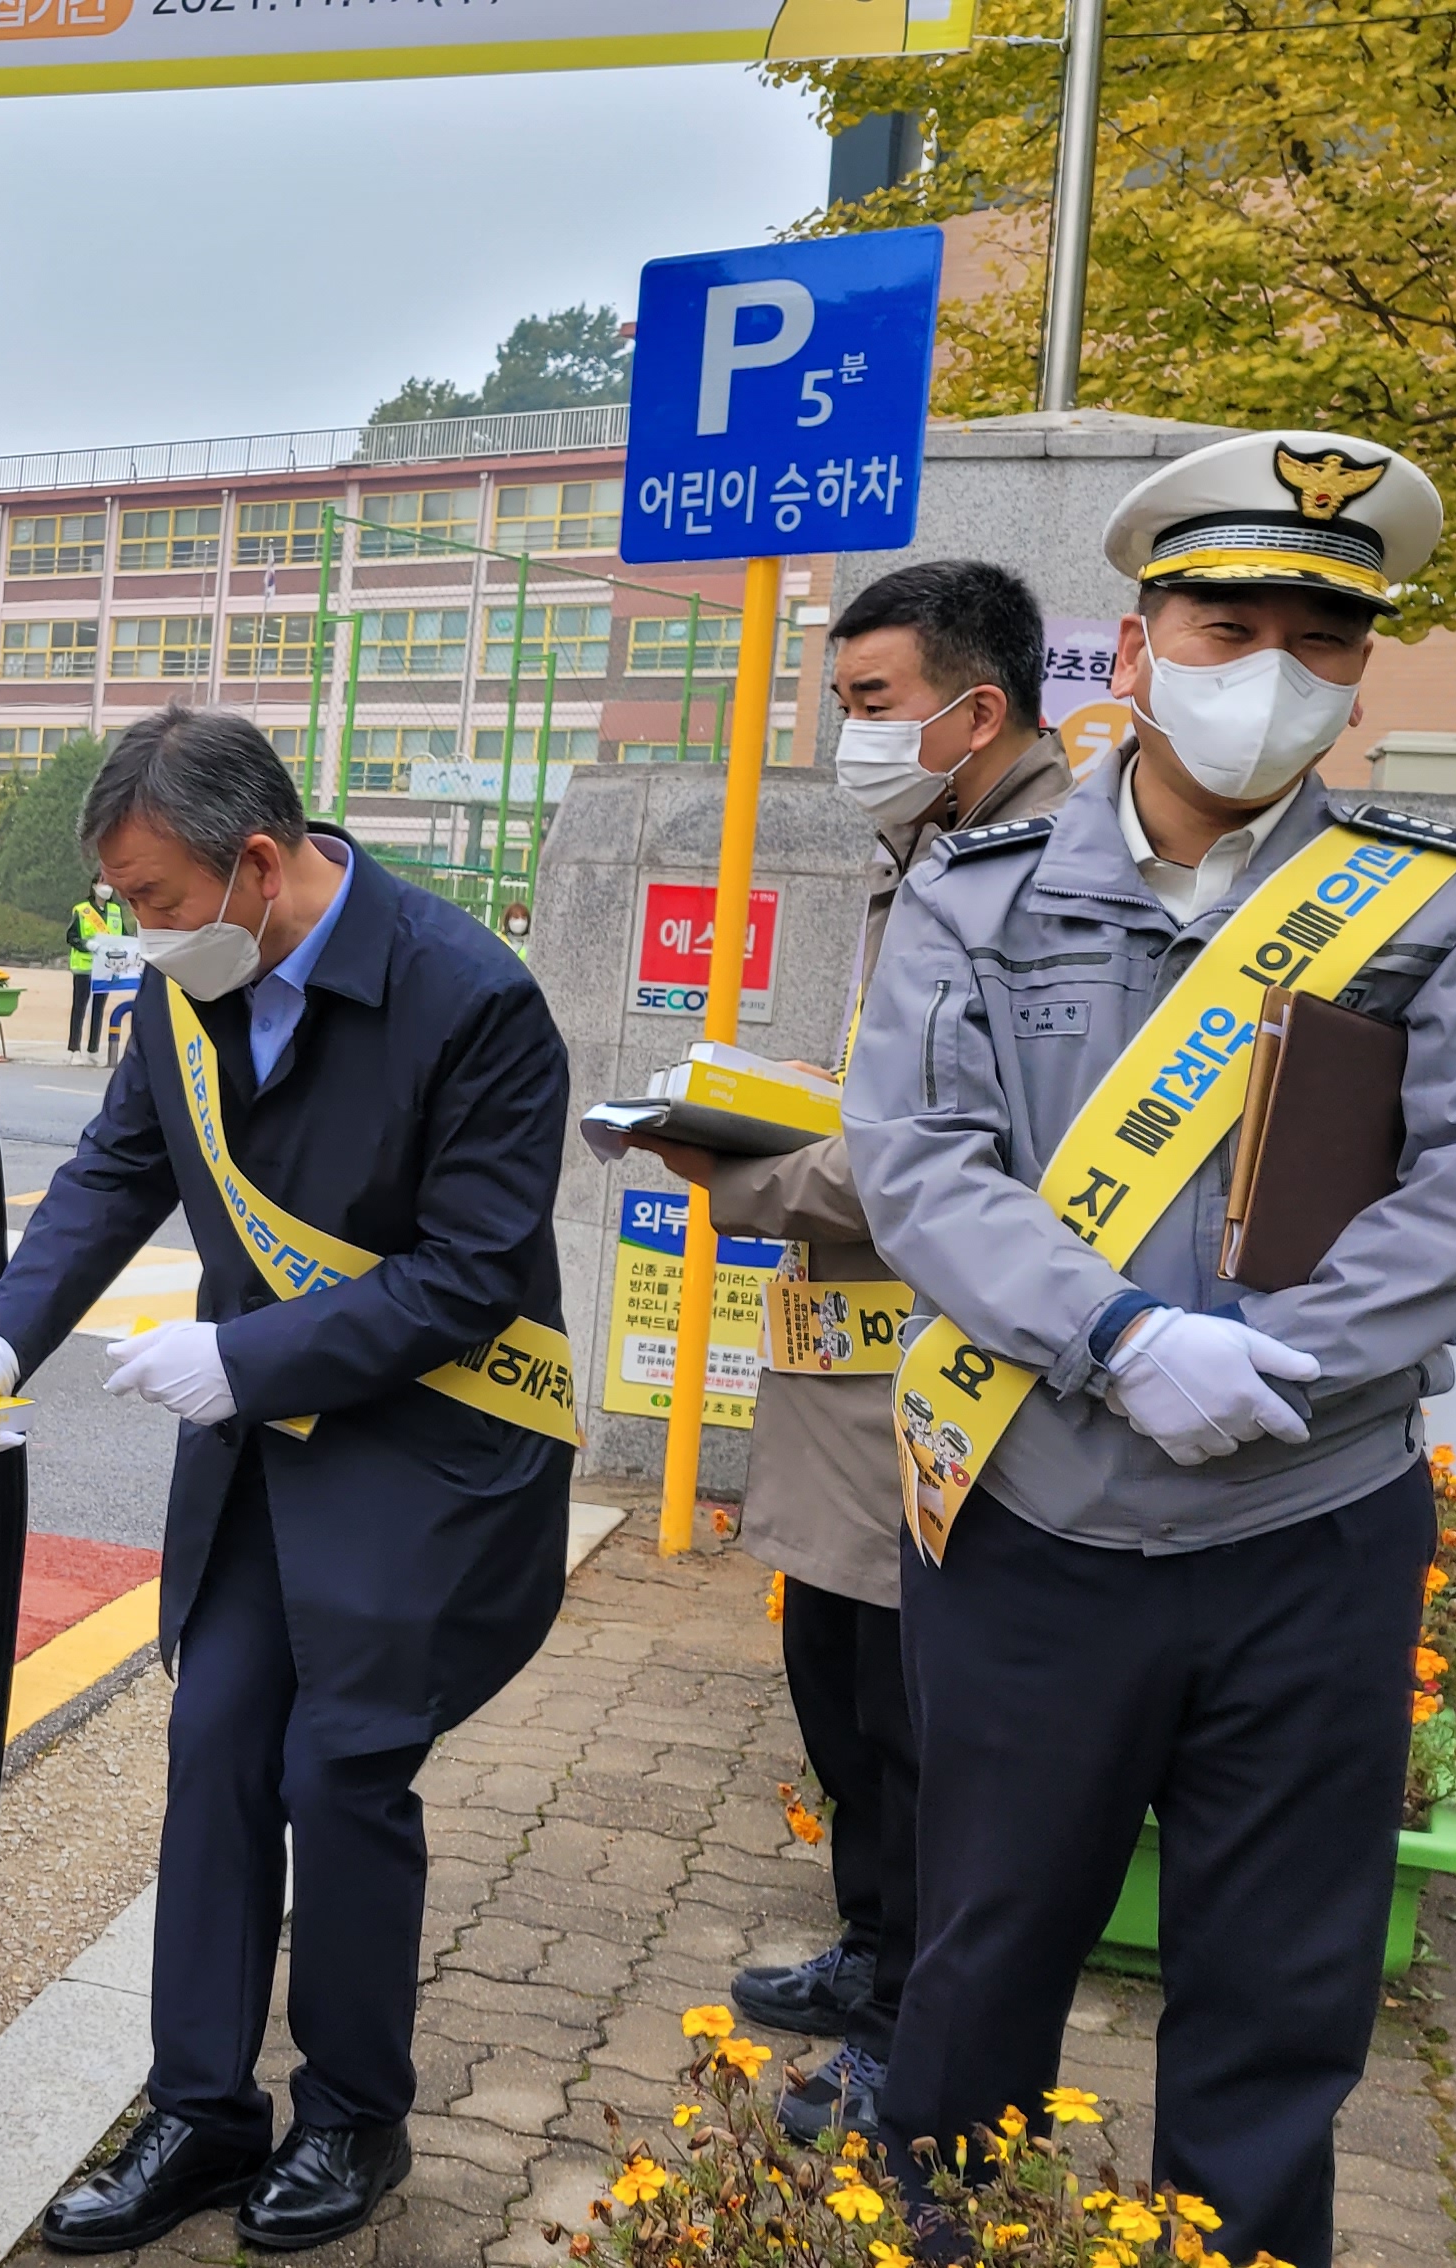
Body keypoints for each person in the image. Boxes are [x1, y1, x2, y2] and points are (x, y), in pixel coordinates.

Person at [847, 430, 1456, 2266]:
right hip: (1034, 1522)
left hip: (1307, 1526)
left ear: (1355, 668)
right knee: (979, 1958)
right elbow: (921, 1165)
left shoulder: (1436, 907)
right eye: (1227, 621)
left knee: (1273, 1995)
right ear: (1140, 639)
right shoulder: (974, 892)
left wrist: (1278, 1361)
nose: (1271, 672)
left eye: (1321, 640)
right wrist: (1116, 1333)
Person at [0, 705, 578, 2254]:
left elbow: (473, 1274)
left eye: (155, 901)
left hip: (426, 1451)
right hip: (262, 1466)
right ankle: (202, 2115)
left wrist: (248, 1362)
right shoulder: (185, 991)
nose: (142, 936)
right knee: (215, 1752)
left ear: (260, 866)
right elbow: (111, 1172)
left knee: (340, 1776)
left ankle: (353, 2116)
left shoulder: (470, 999)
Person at [617, 560, 1073, 2144]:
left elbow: (958, 1158)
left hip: (941, 1375)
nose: (849, 737)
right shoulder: (930, 849)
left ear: (980, 708)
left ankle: (915, 2034)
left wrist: (749, 1171)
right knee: (840, 1685)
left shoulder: (1044, 873)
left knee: (916, 1721)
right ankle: (875, 1949)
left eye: (873, 706)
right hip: (848, 1362)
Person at [67, 880, 129, 1053]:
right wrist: (87, 945)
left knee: (98, 1009)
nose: (106, 888)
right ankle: (74, 1049)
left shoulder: (115, 911)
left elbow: (123, 936)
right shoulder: (82, 910)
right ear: (94, 887)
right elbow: (71, 936)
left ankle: (93, 1049)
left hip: (105, 967)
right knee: (79, 1007)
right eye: (102, 883)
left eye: (109, 884)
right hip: (85, 966)